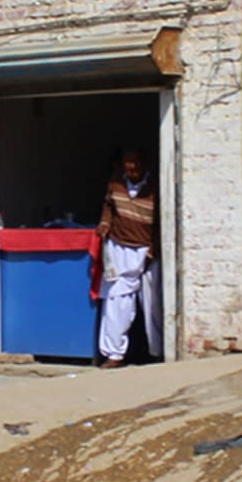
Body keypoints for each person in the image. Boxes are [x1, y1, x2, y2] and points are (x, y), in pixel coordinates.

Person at [95, 148, 161, 369]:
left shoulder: (155, 187)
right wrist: (105, 223)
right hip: (118, 246)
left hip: (145, 250)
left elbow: (163, 220)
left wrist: (153, 248)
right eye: (127, 164)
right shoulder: (116, 182)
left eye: (135, 164)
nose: (131, 169)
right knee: (116, 300)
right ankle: (114, 353)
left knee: (153, 303)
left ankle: (158, 352)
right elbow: (108, 206)